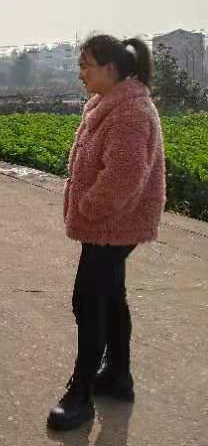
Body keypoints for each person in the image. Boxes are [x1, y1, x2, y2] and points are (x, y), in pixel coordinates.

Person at [47, 35, 166, 431]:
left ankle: (80, 394)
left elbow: (123, 176)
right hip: (109, 222)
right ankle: (117, 376)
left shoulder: (130, 111)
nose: (80, 74)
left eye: (86, 66)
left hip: (114, 223)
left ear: (111, 69)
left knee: (88, 300)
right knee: (111, 296)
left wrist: (88, 207)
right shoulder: (109, 103)